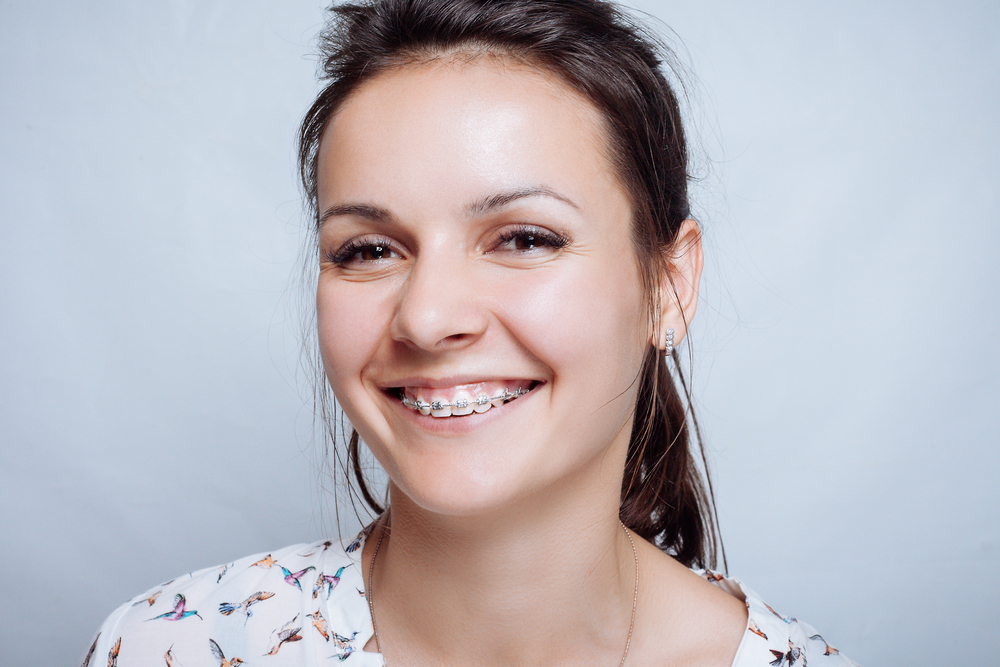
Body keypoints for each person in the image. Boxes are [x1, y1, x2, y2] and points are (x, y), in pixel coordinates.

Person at [81, 1, 858, 665]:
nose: (427, 317)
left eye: (524, 238)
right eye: (369, 249)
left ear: (668, 283)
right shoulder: (168, 645)